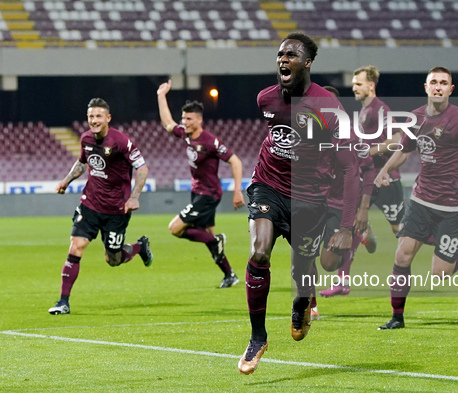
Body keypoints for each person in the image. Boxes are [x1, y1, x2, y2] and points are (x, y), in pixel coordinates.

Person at [238, 33, 360, 374]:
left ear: (307, 62)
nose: (282, 59)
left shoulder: (329, 108)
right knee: (259, 251)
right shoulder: (266, 99)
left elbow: (351, 169)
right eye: (279, 54)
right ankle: (258, 337)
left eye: (291, 55)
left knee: (302, 268)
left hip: (309, 198)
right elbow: (275, 138)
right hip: (268, 186)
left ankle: (302, 300)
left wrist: (347, 227)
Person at [374, 66, 458, 330]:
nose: (438, 86)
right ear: (426, 87)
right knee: (402, 255)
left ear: (450, 89)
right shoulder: (416, 118)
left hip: (454, 207)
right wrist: (386, 169)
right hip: (421, 200)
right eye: (434, 82)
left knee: (440, 275)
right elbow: (405, 149)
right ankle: (397, 317)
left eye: (444, 83)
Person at [48, 98, 153, 315]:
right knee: (76, 247)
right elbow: (82, 162)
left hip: (116, 209)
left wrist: (134, 197)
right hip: (90, 204)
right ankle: (63, 301)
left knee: (112, 259)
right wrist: (66, 181)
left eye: (98, 116)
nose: (94, 121)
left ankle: (140, 247)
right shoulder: (86, 138)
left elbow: (142, 168)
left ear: (108, 118)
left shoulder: (121, 141)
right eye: (90, 117)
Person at [321, 65, 402, 297]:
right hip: (367, 178)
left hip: (386, 180)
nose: (354, 87)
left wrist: (368, 151)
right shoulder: (364, 112)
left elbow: (396, 139)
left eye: (358, 83)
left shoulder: (380, 109)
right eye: (354, 83)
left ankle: (454, 242)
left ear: (371, 85)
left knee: (403, 232)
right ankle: (342, 281)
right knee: (352, 224)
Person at [157, 80, 245, 288]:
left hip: (209, 194)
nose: (184, 122)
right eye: (183, 118)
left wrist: (238, 191)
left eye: (188, 119)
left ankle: (216, 242)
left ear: (199, 120)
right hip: (198, 193)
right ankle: (230, 275)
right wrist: (161, 96)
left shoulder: (209, 141)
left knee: (175, 228)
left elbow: (235, 161)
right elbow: (168, 123)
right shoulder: (186, 135)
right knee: (209, 237)